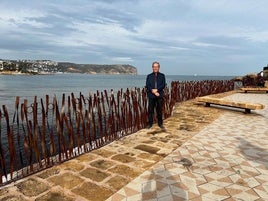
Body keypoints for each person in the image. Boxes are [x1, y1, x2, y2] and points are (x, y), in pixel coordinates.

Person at [146, 61, 166, 129]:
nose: (155, 68)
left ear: (159, 68)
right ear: (152, 68)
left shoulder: (162, 76)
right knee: (150, 110)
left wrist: (157, 90)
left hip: (159, 95)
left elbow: (163, 85)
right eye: (154, 67)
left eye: (156, 67)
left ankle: (160, 124)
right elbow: (148, 85)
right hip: (151, 95)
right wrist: (153, 91)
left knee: (159, 110)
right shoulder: (149, 76)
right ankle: (150, 124)